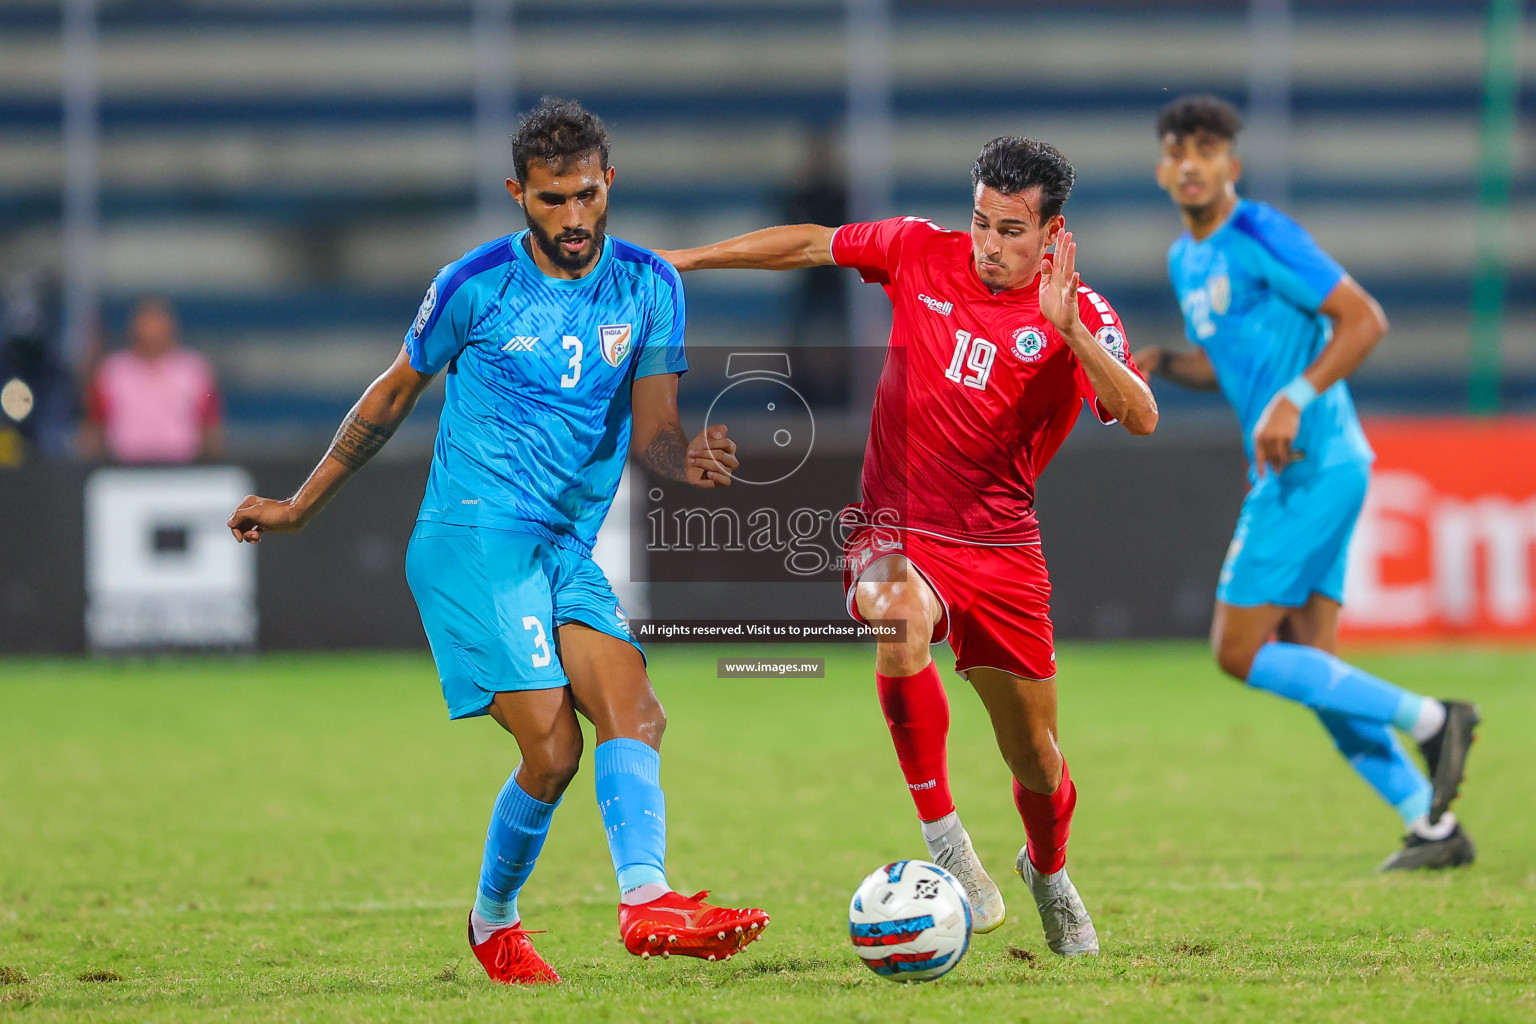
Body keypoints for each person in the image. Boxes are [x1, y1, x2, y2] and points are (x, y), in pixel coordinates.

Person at [226, 98, 768, 984]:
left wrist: (688, 459)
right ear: (519, 194)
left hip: (560, 547)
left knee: (635, 711)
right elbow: (392, 395)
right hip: (471, 538)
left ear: (610, 185)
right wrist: (299, 505)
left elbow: (657, 431)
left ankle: (644, 904)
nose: (573, 219)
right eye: (551, 201)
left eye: (587, 196)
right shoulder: (474, 284)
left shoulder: (650, 286)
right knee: (553, 749)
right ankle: (497, 923)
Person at [659, 137, 1158, 956]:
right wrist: (686, 257)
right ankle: (946, 844)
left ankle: (1049, 871)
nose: (989, 245)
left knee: (1035, 756)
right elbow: (814, 241)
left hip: (999, 545)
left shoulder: (1081, 312)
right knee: (897, 620)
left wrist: (1074, 335)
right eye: (981, 223)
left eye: (1010, 230)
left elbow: (1139, 416)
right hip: (894, 524)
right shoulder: (920, 250)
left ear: (1053, 234)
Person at [1134, 95, 1479, 871]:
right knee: (1313, 663)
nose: (1192, 162)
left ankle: (1433, 720)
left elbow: (1364, 319)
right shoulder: (1184, 259)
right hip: (1314, 467)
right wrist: (1165, 362)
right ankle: (1432, 828)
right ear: (1162, 168)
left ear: (1233, 165)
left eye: (1207, 148)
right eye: (1178, 149)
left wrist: (1294, 398)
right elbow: (1229, 363)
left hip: (1311, 464)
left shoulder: (1261, 231)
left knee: (1236, 649)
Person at [82, 296, 223, 464]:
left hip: (182, 468)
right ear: (133, 327)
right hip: (125, 469)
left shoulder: (192, 369)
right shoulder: (112, 371)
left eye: (158, 324)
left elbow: (209, 424)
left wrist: (215, 463)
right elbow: (96, 425)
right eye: (146, 324)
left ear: (171, 327)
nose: (152, 332)